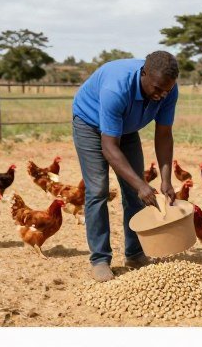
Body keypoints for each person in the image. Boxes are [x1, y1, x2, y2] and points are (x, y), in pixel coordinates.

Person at [71, 51, 180, 282]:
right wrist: (141, 184)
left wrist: (166, 180)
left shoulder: (168, 89)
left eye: (166, 90)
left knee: (135, 193)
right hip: (90, 124)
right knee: (98, 189)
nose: (161, 95)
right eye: (157, 89)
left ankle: (135, 253)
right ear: (144, 74)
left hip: (128, 127)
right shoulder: (116, 89)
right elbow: (109, 147)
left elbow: (164, 135)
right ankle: (100, 259)